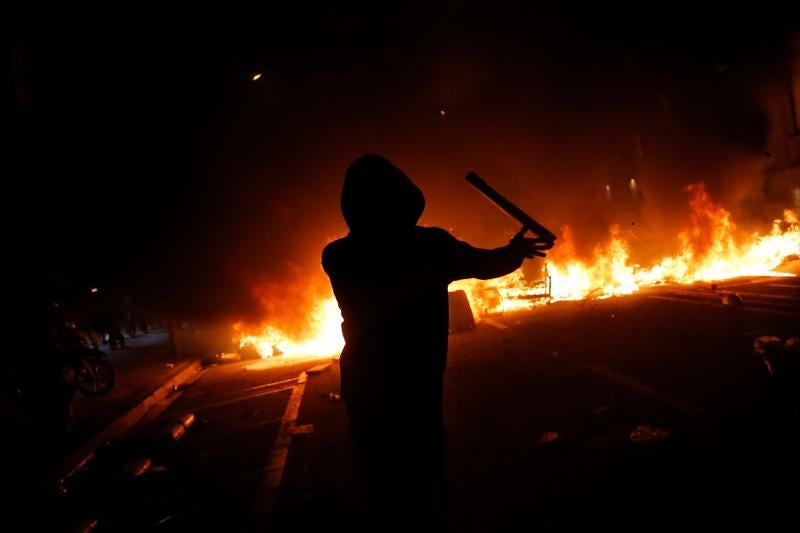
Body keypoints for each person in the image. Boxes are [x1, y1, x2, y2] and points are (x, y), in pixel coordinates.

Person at [322, 154, 551, 529]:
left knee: (381, 480)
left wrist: (509, 253)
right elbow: (485, 264)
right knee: (423, 479)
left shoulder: (337, 255)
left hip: (364, 381)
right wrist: (516, 252)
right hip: (414, 383)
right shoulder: (429, 247)